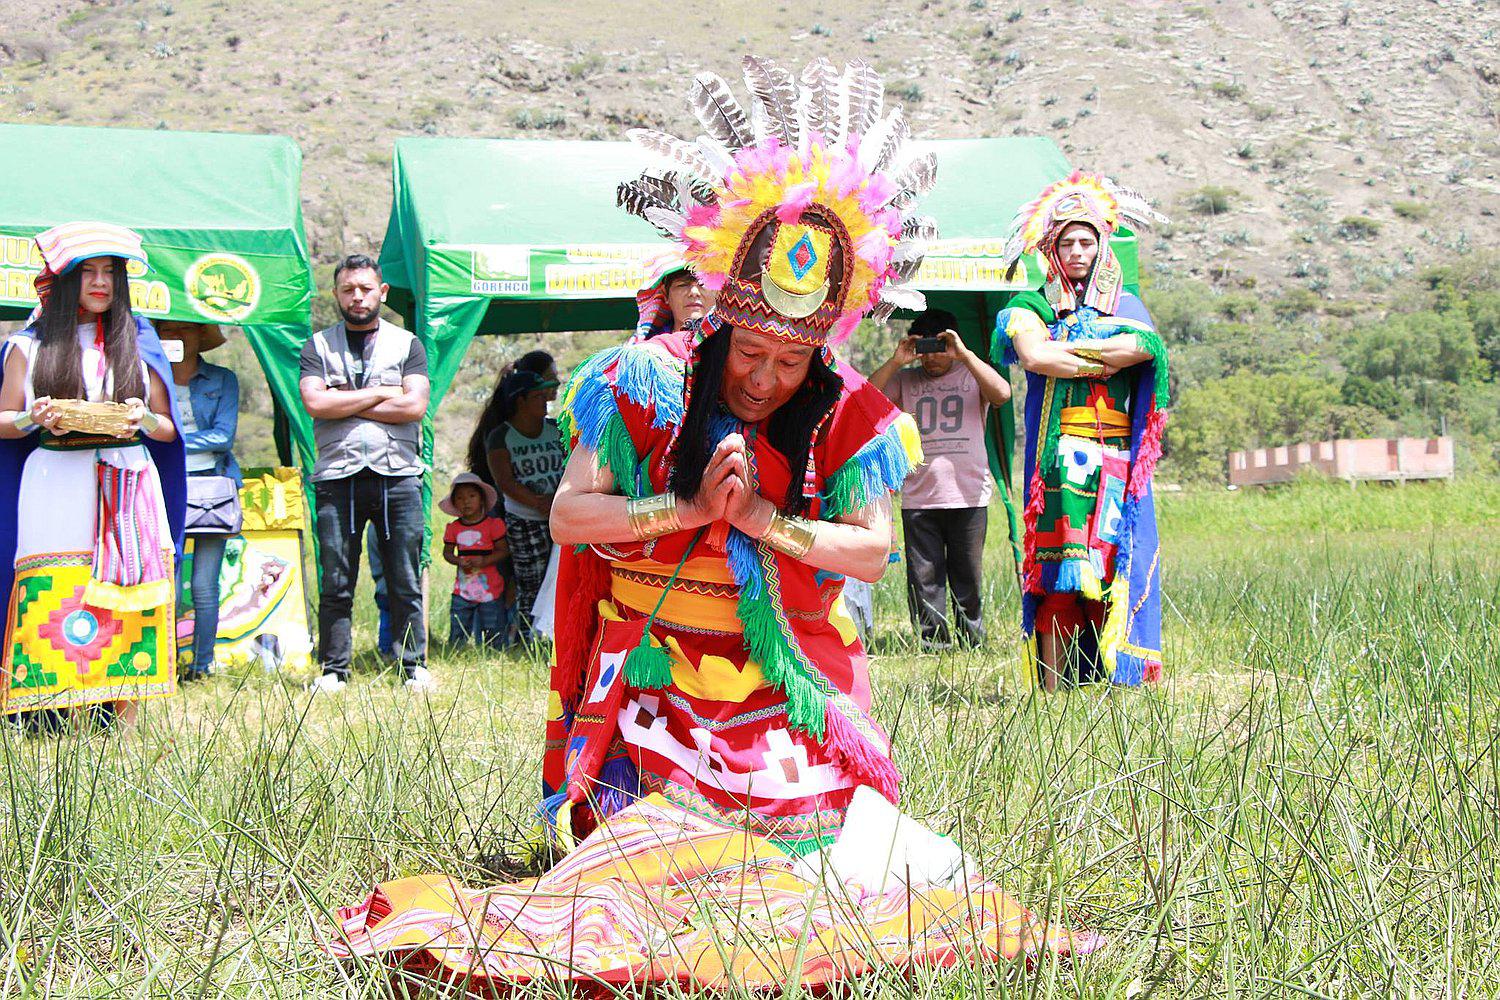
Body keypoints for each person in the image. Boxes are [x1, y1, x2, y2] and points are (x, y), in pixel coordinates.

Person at [330, 58, 1097, 989]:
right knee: (646, 868)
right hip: (655, 692)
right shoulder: (644, 380)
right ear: (720, 317)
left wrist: (767, 520)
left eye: (789, 358)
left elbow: (872, 550)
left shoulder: (847, 409)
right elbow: (572, 517)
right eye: (751, 350)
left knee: (840, 862)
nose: (766, 378)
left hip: (784, 692)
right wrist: (686, 510)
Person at [0, 222, 186, 727]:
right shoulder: (29, 346)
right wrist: (31, 418)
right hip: (52, 484)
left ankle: (123, 715)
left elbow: (168, 429)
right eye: (88, 273)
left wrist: (139, 418)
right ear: (64, 281)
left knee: (125, 589)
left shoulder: (139, 341)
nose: (101, 283)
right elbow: (4, 421)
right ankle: (63, 712)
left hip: (125, 478)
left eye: (109, 273)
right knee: (59, 585)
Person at [992, 171, 1170, 691]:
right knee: (1056, 572)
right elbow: (1033, 354)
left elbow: (1142, 349)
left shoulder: (1128, 306)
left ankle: (1116, 675)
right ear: (1050, 247)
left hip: (1115, 461)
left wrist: (1067, 352)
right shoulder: (1031, 306)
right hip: (1059, 466)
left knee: (1114, 563)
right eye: (1066, 241)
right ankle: (1052, 688)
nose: (1076, 251)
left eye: (1086, 241)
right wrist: (1100, 358)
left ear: (1102, 245)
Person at [298, 254, 433, 693]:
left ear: (382, 292)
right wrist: (381, 393)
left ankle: (413, 666)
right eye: (347, 289)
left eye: (365, 288)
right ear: (336, 294)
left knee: (404, 575)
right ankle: (334, 669)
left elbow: (413, 406)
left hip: (398, 473)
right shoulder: (317, 346)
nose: (357, 296)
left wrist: (346, 397)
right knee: (336, 577)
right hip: (338, 475)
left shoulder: (408, 344)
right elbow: (316, 405)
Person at [869, 308, 1012, 649]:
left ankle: (972, 640)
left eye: (940, 346)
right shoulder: (906, 380)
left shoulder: (970, 374)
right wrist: (896, 361)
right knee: (924, 577)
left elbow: (1002, 394)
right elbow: (867, 401)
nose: (932, 357)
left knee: (968, 576)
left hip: (968, 494)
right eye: (925, 348)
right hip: (920, 495)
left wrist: (965, 354)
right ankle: (934, 643)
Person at [159, 320, 240, 681]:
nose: (177, 336)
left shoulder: (222, 379)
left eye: (185, 329)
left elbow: (223, 436)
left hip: (212, 486)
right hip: (163, 485)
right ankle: (164, 662)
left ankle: (201, 665)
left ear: (200, 336)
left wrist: (171, 441)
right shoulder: (149, 377)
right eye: (167, 329)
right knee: (166, 581)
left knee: (205, 584)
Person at [484, 368, 562, 643]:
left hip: (560, 518)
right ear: (521, 401)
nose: (545, 402)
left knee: (559, 580)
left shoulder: (556, 429)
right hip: (524, 520)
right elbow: (504, 481)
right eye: (538, 396)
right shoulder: (501, 436)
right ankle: (528, 637)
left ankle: (555, 634)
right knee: (530, 580)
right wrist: (540, 503)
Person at [439, 472, 508, 648]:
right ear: (454, 503)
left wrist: (485, 561)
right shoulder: (453, 528)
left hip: (490, 588)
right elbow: (447, 553)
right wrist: (457, 560)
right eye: (460, 498)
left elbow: (504, 551)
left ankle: (496, 649)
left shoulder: (493, 525)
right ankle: (456, 649)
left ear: (482, 500)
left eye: (471, 496)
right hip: (462, 587)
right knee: (459, 621)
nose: (466, 501)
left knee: (493, 623)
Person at [628, 251, 716, 343]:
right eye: (682, 285)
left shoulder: (730, 344)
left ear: (719, 293)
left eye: (703, 284)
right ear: (665, 294)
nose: (694, 292)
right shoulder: (650, 349)